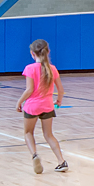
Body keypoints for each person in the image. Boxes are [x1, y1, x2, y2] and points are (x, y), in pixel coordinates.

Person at [16, 38, 68, 174]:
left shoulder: (29, 68)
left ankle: (34, 155)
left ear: (33, 54)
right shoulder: (52, 69)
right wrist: (59, 101)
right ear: (48, 51)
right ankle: (61, 161)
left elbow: (29, 90)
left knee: (28, 132)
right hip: (47, 105)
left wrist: (19, 101)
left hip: (32, 106)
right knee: (49, 134)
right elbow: (61, 90)